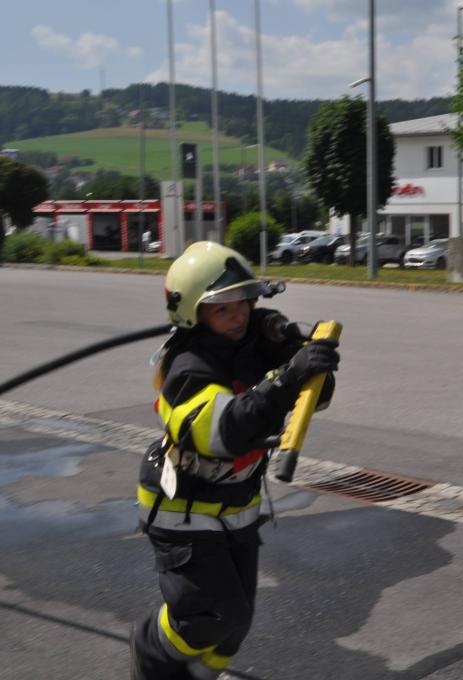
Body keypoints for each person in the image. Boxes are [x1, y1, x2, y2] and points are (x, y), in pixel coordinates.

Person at [130, 241, 339, 680]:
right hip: (182, 508)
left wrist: (307, 361)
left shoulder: (255, 341)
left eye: (243, 301)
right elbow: (225, 433)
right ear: (193, 313)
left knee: (236, 624)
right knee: (207, 618)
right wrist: (288, 378)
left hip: (236, 505)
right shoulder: (187, 368)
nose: (239, 315)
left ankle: (199, 678)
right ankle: (150, 649)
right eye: (222, 308)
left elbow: (312, 399)